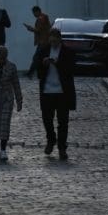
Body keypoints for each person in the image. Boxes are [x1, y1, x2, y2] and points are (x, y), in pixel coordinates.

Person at [37, 25, 76, 161]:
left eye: (55, 40)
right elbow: (38, 70)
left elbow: (71, 70)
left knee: (63, 121)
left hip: (62, 92)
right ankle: (51, 139)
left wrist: (58, 64)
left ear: (60, 39)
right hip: (47, 91)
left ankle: (62, 147)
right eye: (51, 40)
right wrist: (43, 64)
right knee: (47, 119)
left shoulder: (67, 52)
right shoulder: (43, 51)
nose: (53, 43)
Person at [23, 4, 51, 79]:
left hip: (43, 42)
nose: (34, 15)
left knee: (36, 58)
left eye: (34, 13)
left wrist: (30, 28)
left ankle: (31, 73)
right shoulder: (43, 17)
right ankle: (38, 73)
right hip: (45, 42)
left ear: (37, 11)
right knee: (41, 58)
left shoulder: (41, 18)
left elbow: (38, 30)